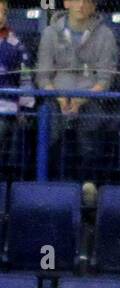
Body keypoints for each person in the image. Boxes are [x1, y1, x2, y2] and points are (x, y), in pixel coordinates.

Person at [36, 0, 118, 180]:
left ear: (94, 6)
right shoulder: (50, 34)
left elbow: (105, 80)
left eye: (87, 1)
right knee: (49, 128)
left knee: (92, 133)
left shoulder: (106, 36)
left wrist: (82, 99)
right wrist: (60, 97)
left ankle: (89, 186)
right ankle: (47, 184)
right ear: (66, 3)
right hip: (55, 98)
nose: (81, 5)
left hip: (91, 99)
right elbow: (43, 76)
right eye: (76, 0)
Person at [0, 1, 31, 176]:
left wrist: (24, 108)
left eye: (3, 13)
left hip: (4, 108)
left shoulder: (15, 44)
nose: (0, 17)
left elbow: (25, 78)